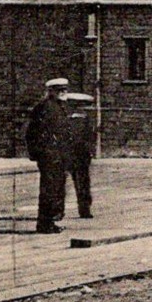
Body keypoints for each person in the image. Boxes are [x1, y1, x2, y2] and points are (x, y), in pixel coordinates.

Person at [25, 77, 71, 234]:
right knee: (49, 189)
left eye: (64, 90)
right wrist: (37, 152)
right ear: (51, 92)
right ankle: (45, 223)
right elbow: (32, 132)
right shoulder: (44, 107)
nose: (63, 93)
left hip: (59, 154)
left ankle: (51, 220)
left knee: (57, 188)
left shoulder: (60, 107)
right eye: (59, 90)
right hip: (49, 154)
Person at [59, 91, 95, 220]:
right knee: (82, 183)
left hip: (73, 154)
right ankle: (84, 210)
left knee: (62, 183)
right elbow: (90, 137)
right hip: (78, 155)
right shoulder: (84, 119)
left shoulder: (66, 118)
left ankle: (60, 211)